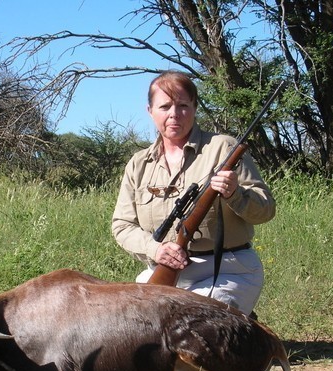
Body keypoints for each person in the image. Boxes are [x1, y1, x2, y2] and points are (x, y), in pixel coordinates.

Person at [111, 70, 275, 316]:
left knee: (191, 323)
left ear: (195, 107)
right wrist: (156, 250)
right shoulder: (138, 164)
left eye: (183, 105)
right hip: (165, 269)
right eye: (165, 106)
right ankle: (237, 326)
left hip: (227, 269)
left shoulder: (224, 148)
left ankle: (240, 328)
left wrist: (235, 195)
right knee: (129, 326)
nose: (174, 114)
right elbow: (122, 225)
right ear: (150, 111)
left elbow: (265, 210)